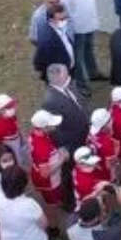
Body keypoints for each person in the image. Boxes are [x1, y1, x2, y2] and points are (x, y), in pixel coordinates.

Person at [42, 62, 91, 210]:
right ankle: (69, 202)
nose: (69, 74)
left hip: (82, 135)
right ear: (58, 76)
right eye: (65, 72)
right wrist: (65, 150)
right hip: (71, 143)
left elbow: (78, 103)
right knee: (68, 173)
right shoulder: (50, 101)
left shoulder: (69, 86)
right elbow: (54, 131)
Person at [58, 0, 106, 90]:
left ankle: (93, 73)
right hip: (77, 28)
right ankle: (81, 84)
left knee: (89, 49)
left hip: (89, 22)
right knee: (78, 57)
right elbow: (66, 11)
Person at [28, 109, 67, 213]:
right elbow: (45, 174)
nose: (55, 126)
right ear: (44, 127)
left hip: (43, 176)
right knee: (52, 205)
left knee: (53, 201)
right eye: (51, 124)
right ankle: (53, 226)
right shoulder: (41, 147)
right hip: (49, 183)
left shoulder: (37, 134)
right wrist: (62, 160)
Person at [32, 3, 76, 85]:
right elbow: (38, 62)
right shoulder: (47, 40)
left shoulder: (60, 28)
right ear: (52, 20)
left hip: (69, 71)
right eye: (61, 19)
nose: (65, 21)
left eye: (65, 17)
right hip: (59, 77)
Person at [0, 93, 30, 169]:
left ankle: (23, 163)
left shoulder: (11, 116)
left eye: (13, 106)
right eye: (9, 107)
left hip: (17, 138)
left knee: (23, 153)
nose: (13, 108)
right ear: (1, 110)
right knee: (16, 159)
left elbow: (16, 126)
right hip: (10, 146)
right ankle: (18, 169)